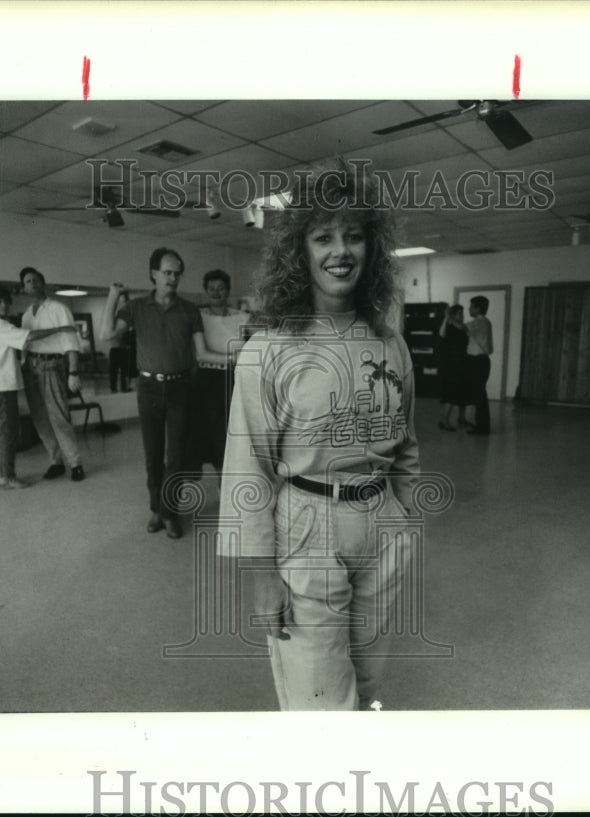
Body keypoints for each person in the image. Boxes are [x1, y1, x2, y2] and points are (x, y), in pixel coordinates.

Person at [218, 159, 421, 711]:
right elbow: (247, 468)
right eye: (324, 236)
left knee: (370, 682)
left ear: (371, 248)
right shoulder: (268, 350)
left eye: (354, 236)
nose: (341, 251)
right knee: (320, 700)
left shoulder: (390, 342)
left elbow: (406, 440)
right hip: (307, 527)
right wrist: (262, 576)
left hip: (381, 525)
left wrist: (402, 515)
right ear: (299, 251)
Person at [99, 248, 206, 540]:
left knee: (176, 456)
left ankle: (170, 512)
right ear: (154, 274)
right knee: (153, 453)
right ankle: (156, 510)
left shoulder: (189, 310)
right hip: (148, 389)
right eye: (168, 272)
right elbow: (107, 335)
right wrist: (112, 297)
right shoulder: (135, 308)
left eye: (177, 273)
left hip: (181, 386)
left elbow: (202, 351)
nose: (173, 278)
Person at [0, 283, 78, 488]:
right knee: (9, 430)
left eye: (5, 300)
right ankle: (8, 475)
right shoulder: (0, 325)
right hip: (1, 384)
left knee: (1, 429)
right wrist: (61, 329)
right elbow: (29, 336)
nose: (3, 304)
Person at [19, 266, 85, 482]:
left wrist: (73, 372)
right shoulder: (27, 315)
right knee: (40, 419)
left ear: (43, 284)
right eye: (28, 281)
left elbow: (70, 341)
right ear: (24, 287)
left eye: (36, 280)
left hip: (52, 366)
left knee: (59, 417)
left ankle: (75, 464)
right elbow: (25, 342)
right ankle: (56, 461)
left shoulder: (58, 308)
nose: (33, 284)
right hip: (32, 368)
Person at [189, 269, 250, 474]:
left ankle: (234, 476)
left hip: (235, 379)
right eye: (211, 289)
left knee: (235, 429)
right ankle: (221, 480)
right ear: (205, 291)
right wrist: (232, 358)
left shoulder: (242, 317)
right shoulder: (198, 316)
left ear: (228, 291)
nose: (216, 293)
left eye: (221, 288)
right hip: (208, 380)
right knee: (214, 433)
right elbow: (200, 354)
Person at [463, 295, 493, 435]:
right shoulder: (483, 322)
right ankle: (481, 426)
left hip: (478, 362)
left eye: (471, 306)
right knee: (479, 394)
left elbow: (462, 327)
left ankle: (482, 428)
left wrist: (449, 317)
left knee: (479, 395)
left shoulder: (479, 323)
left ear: (478, 308)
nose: (469, 309)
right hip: (480, 361)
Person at [437, 303, 468, 430]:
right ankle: (444, 421)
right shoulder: (449, 327)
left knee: (463, 393)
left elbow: (463, 329)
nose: (462, 316)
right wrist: (446, 317)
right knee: (451, 392)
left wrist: (451, 318)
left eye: (462, 313)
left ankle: (462, 418)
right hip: (452, 364)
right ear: (454, 315)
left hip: (463, 362)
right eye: (460, 313)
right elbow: (441, 333)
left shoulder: (463, 327)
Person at [107, 290, 136, 393]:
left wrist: (126, 295)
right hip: (115, 350)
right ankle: (113, 388)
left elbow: (130, 309)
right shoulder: (113, 325)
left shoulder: (125, 324)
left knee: (124, 371)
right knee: (113, 371)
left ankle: (124, 388)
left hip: (123, 350)